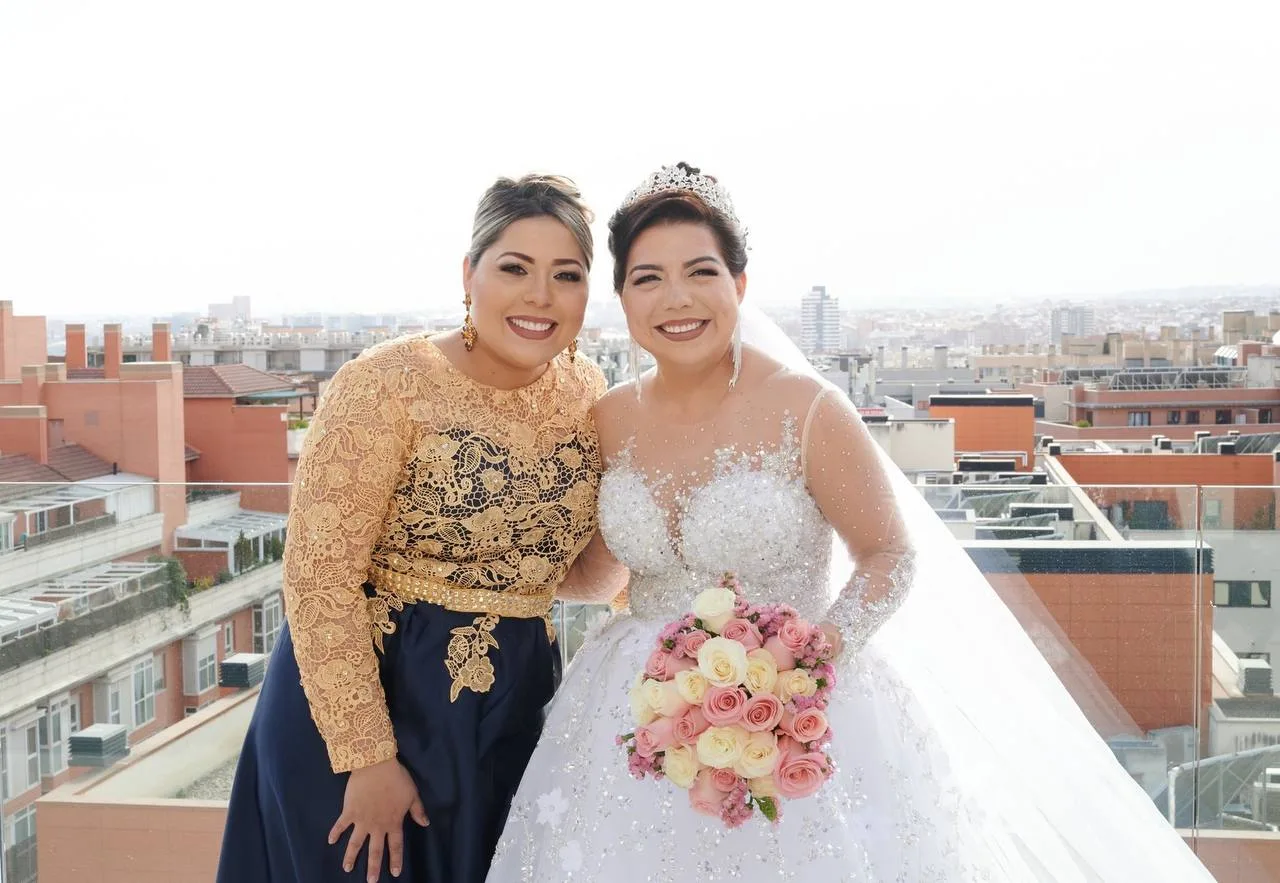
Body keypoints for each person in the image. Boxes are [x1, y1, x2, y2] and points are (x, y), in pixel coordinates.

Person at [488, 163, 1216, 880]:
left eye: (700, 271)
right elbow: (599, 572)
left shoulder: (806, 407)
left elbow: (889, 553)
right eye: (648, 277)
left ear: (738, 284)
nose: (676, 297)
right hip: (630, 711)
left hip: (797, 708)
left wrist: (804, 660)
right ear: (622, 295)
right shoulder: (608, 417)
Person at [217, 173, 624, 883]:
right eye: (515, 268)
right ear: (469, 275)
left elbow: (572, 572)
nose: (540, 296)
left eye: (568, 274)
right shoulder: (384, 384)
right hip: (370, 710)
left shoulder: (589, 393)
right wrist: (367, 756)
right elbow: (317, 577)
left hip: (512, 714)